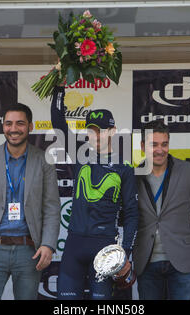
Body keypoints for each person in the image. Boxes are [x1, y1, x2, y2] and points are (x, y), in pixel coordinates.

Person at [0, 103, 61, 300]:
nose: (13, 129)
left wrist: (48, 245)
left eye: (20, 123)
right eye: (8, 123)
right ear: (3, 126)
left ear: (30, 127)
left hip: (29, 251)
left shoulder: (44, 160)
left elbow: (52, 208)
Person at [51, 85, 139, 300]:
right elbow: (58, 122)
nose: (95, 135)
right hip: (74, 246)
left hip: (105, 249)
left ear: (113, 131)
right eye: (91, 130)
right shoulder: (80, 155)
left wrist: (125, 253)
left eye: (101, 130)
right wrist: (58, 87)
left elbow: (132, 214)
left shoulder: (124, 167)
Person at [133, 120, 190, 300]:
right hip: (146, 261)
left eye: (164, 144)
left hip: (183, 260)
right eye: (153, 145)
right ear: (142, 146)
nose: (160, 150)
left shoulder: (189, 172)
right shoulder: (133, 176)